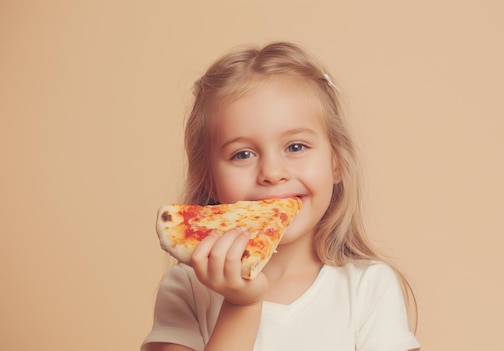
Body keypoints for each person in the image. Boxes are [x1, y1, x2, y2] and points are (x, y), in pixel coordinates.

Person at [142, 41, 421, 351]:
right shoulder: (187, 289)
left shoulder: (369, 287)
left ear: (336, 162)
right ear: (209, 180)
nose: (272, 172)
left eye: (296, 147)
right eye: (243, 154)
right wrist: (242, 304)